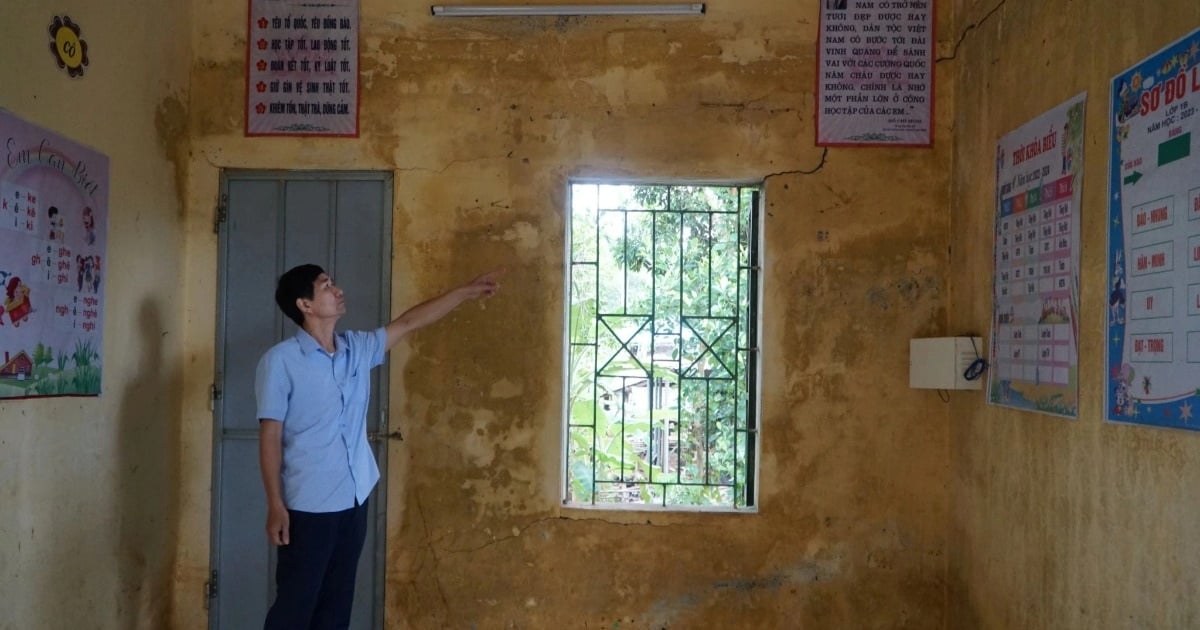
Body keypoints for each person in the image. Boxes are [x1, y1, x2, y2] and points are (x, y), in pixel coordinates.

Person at [256, 263, 501, 629]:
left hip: (354, 498)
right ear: (304, 305)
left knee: (336, 605)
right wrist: (275, 503)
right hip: (308, 505)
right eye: (326, 286)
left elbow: (408, 323)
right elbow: (270, 435)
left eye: (333, 283)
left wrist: (465, 291)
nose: (337, 290)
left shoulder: (357, 348)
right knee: (295, 605)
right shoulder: (280, 362)